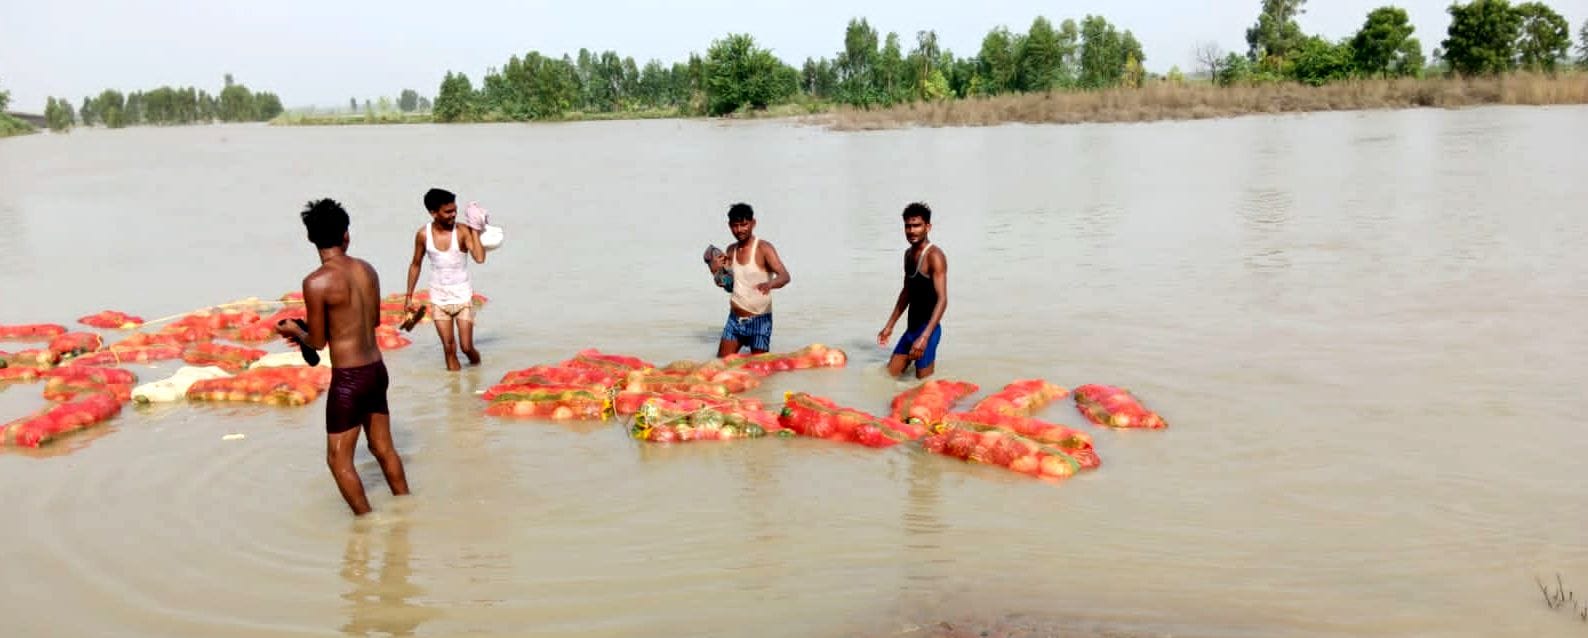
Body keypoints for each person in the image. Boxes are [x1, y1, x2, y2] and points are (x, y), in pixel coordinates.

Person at [276, 198, 410, 517]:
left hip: (349, 379)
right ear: (346, 234)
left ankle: (367, 525)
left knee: (338, 460)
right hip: (376, 369)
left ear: (310, 237)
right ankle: (407, 514)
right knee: (383, 448)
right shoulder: (367, 270)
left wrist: (297, 331)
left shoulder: (315, 282)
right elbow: (373, 321)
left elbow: (319, 341)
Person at [404, 188, 487, 371]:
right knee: (449, 348)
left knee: (466, 347)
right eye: (448, 211)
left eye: (455, 210)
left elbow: (480, 258)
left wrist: (475, 229)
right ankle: (456, 395)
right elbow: (416, 264)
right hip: (439, 299)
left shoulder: (463, 232)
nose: (453, 215)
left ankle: (477, 371)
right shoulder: (423, 235)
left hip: (463, 298)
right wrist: (409, 296)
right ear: (433, 213)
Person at [709, 203, 790, 357]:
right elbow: (728, 286)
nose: (739, 230)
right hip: (734, 320)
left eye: (744, 224)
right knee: (720, 365)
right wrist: (715, 269)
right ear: (729, 226)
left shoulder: (763, 248)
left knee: (760, 372)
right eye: (735, 226)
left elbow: (785, 276)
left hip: (760, 321)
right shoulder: (731, 250)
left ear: (753, 223)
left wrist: (770, 284)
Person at [878, 202, 948, 380]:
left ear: (928, 227)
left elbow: (942, 299)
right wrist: (890, 325)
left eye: (916, 225)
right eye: (908, 226)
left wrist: (924, 338)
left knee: (923, 386)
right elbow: (906, 293)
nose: (911, 231)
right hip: (911, 330)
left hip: (928, 331)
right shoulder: (908, 255)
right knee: (888, 377)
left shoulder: (935, 256)